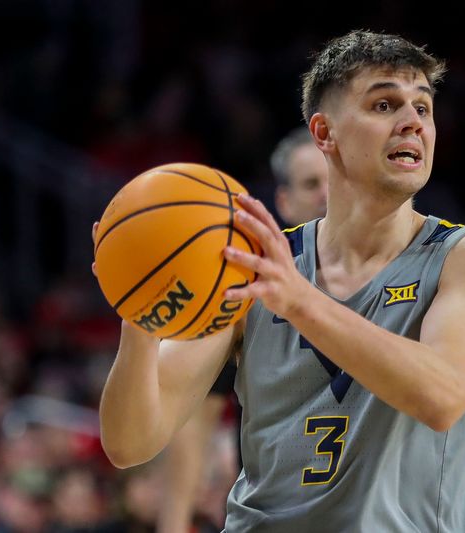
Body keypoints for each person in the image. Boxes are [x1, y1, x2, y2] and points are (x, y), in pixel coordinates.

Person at [95, 29, 465, 532]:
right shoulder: (254, 267)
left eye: (423, 108)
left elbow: (443, 396)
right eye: (384, 105)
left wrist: (300, 302)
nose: (412, 123)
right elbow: (130, 443)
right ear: (324, 134)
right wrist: (139, 311)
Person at [156, 127, 327, 533]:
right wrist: (174, 523)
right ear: (282, 202)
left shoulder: (398, 281)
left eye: (336, 181)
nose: (327, 194)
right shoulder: (245, 290)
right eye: (311, 184)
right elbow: (197, 418)